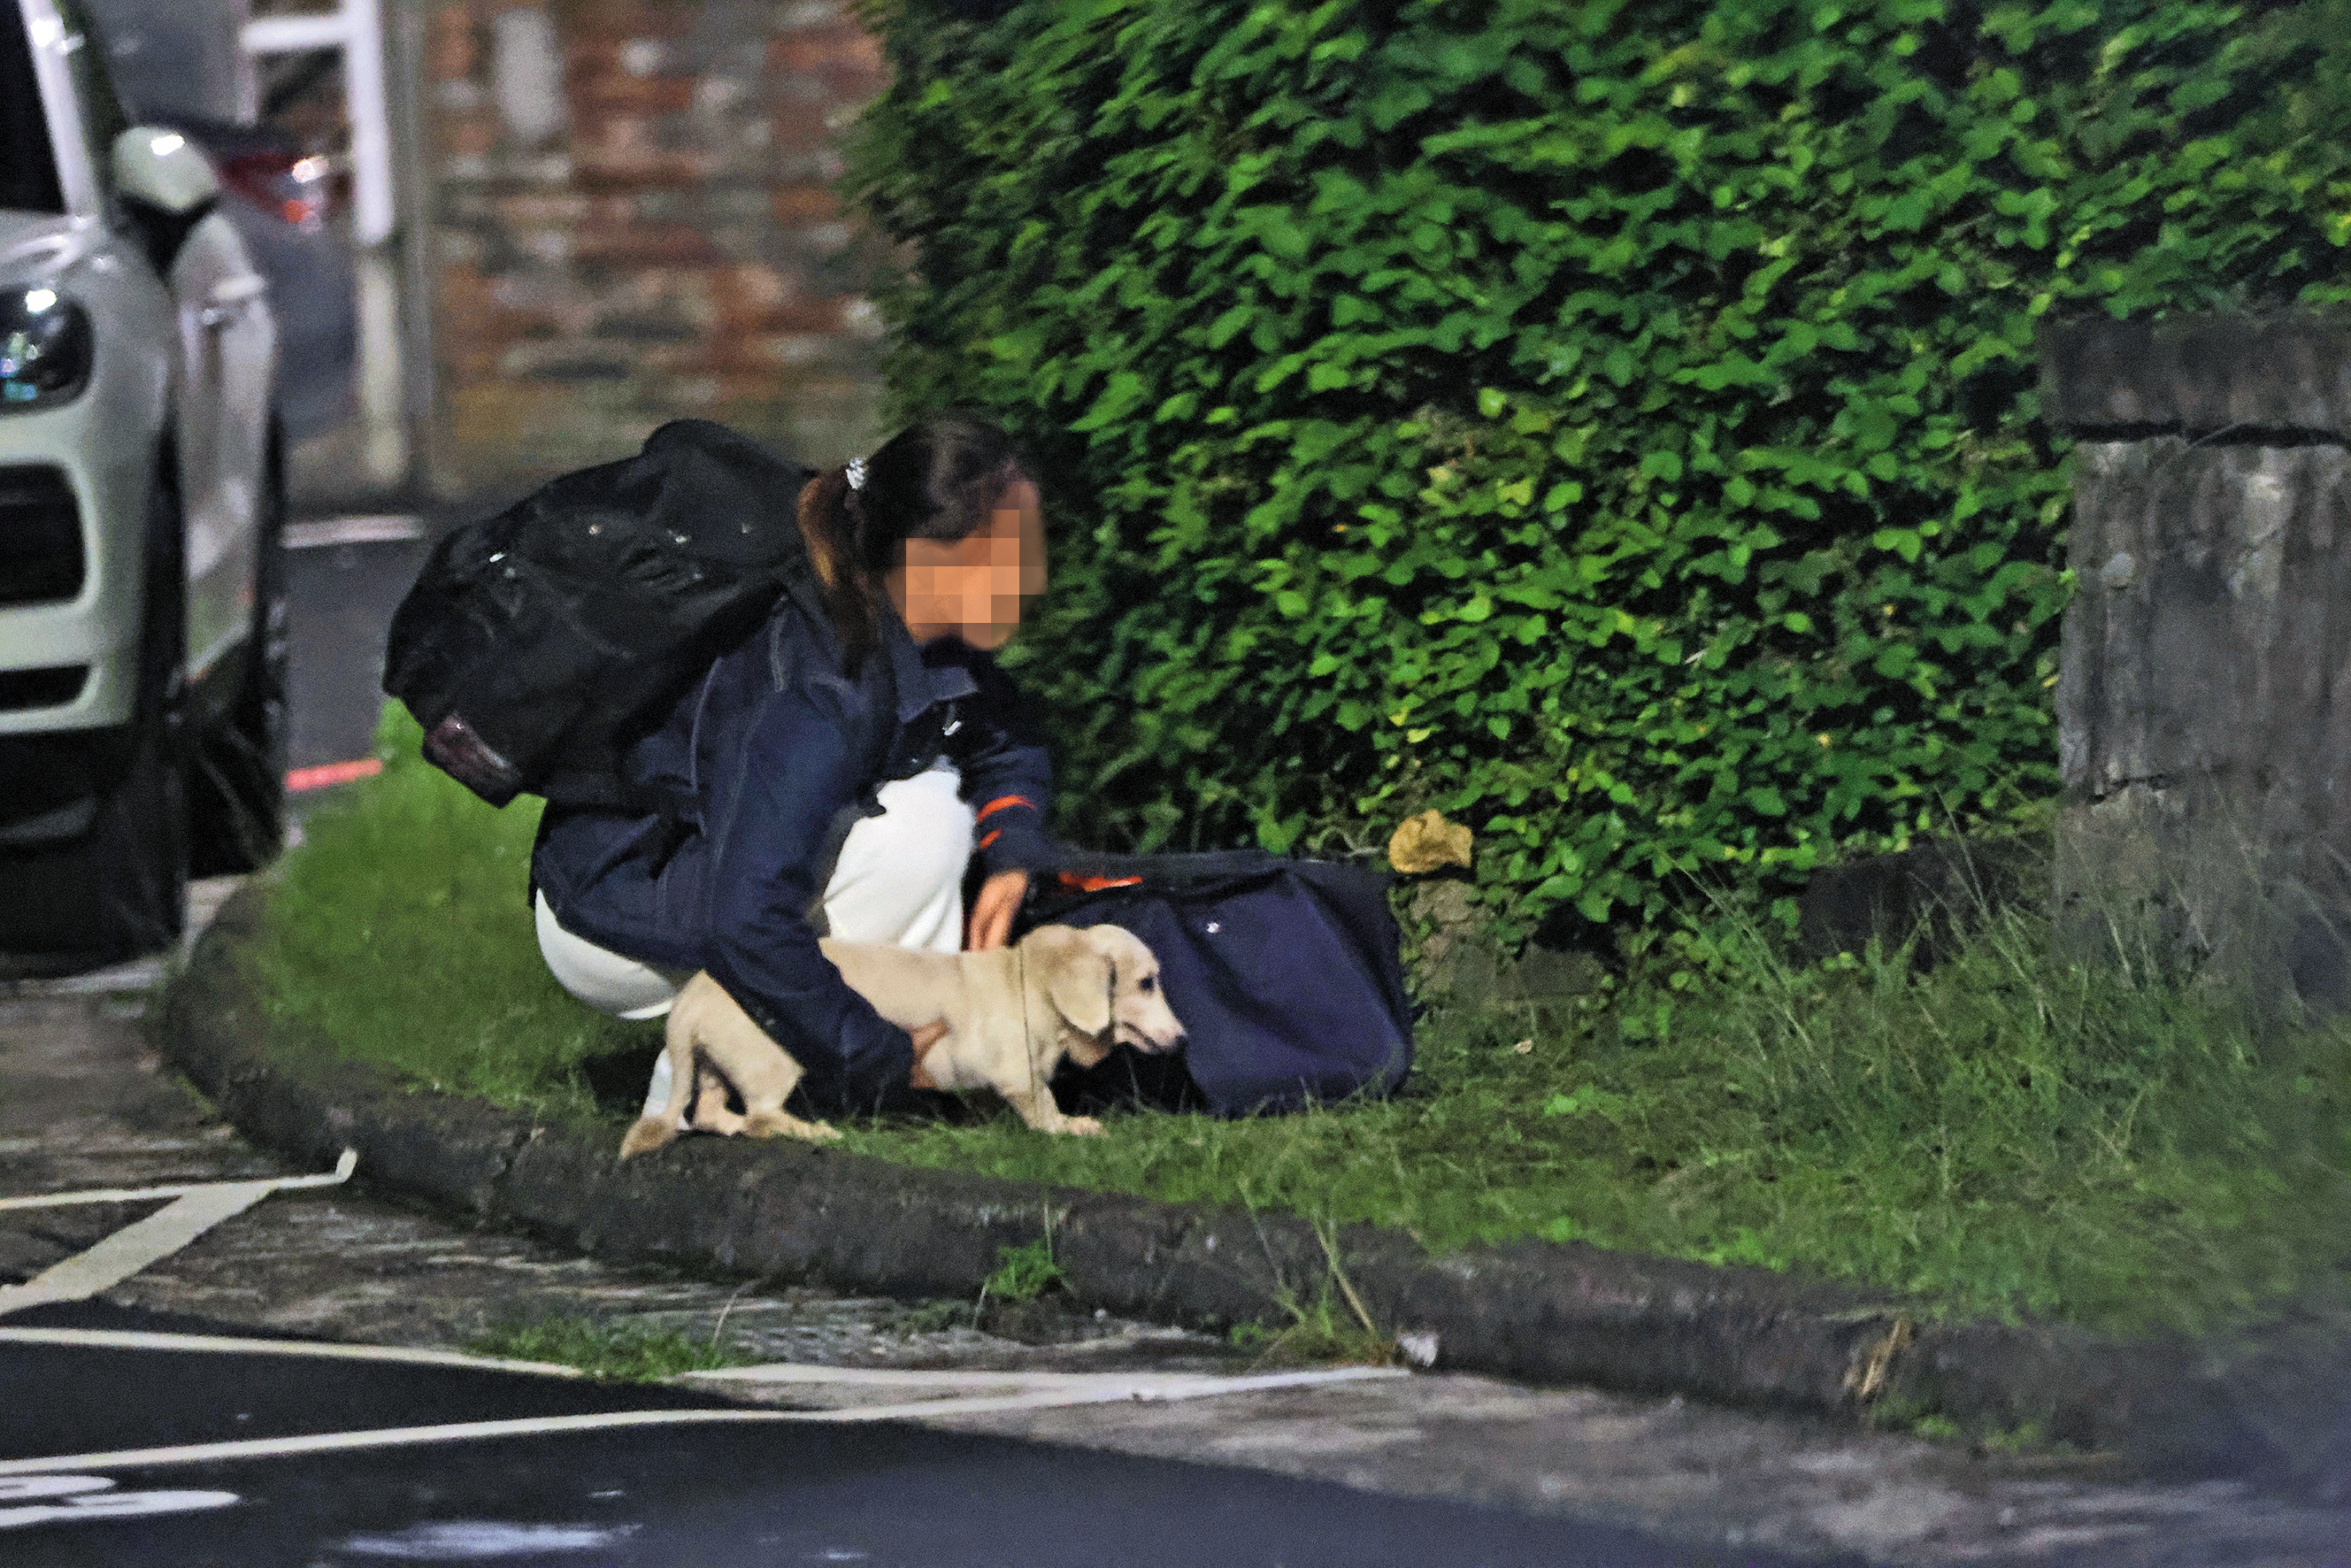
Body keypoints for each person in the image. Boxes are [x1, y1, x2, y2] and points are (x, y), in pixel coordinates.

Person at [527, 413, 1055, 1119]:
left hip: (696, 877)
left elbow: (1004, 738)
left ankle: (841, 1080)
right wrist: (890, 1058)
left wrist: (1012, 854)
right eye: (1013, 554)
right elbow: (745, 921)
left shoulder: (916, 632)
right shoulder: (820, 692)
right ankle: (710, 1087)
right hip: (612, 912)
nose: (1037, 578)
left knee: (929, 813)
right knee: (920, 828)